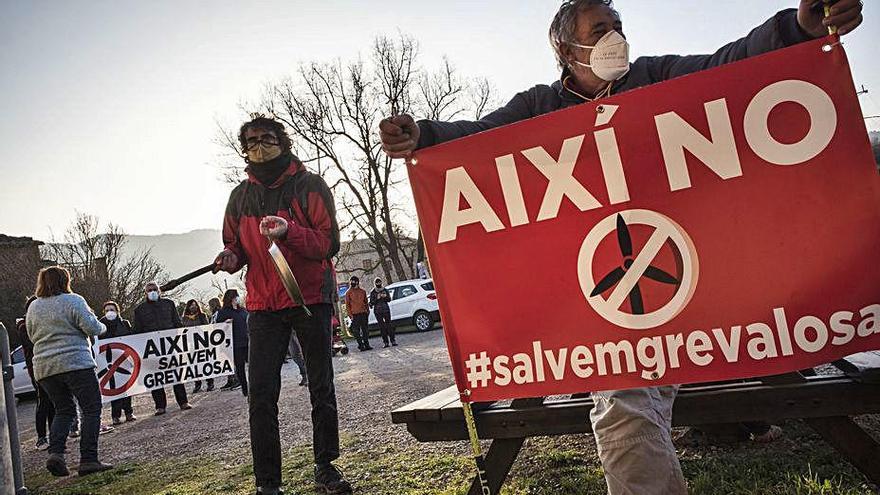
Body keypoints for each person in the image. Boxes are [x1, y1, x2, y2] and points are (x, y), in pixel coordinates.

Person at [379, 1, 865, 493]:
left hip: (701, 289)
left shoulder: (658, 78)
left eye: (618, 26)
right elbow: (478, 141)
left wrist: (799, 28)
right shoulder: (537, 108)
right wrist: (425, 136)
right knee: (624, 407)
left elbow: (731, 64)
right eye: (600, 29)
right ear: (566, 49)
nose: (615, 37)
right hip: (617, 316)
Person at [214, 115, 350, 494]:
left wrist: (290, 232)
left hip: (310, 298)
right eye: (252, 141)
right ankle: (268, 483)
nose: (260, 146)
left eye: (267, 138)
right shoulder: (239, 197)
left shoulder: (311, 186)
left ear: (283, 141)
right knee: (260, 395)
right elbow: (234, 245)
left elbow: (329, 244)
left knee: (320, 386)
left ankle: (326, 466)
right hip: (262, 304)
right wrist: (229, 257)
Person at [25, 266, 113, 476]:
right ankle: (89, 459)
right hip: (75, 363)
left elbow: (30, 335)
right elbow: (92, 328)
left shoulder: (33, 307)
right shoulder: (73, 300)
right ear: (66, 280)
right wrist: (102, 326)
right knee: (91, 409)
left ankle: (56, 453)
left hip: (45, 368)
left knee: (63, 410)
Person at [132, 282, 192, 415]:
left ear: (159, 291)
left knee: (176, 375)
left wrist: (181, 337)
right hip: (152, 349)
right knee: (156, 377)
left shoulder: (169, 304)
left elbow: (177, 323)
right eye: (149, 290)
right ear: (145, 293)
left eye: (154, 289)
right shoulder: (139, 310)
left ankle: (183, 402)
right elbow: (137, 330)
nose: (152, 292)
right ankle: (160, 406)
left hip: (171, 346)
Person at [15, 296, 55, 450]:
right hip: (37, 368)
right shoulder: (24, 326)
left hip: (50, 365)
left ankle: (54, 435)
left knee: (53, 402)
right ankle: (41, 438)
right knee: (43, 401)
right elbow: (32, 344)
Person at [98, 301, 137, 425]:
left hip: (124, 359)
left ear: (117, 311)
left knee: (126, 387)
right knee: (114, 388)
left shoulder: (125, 323)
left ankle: (129, 412)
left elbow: (131, 340)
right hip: (108, 362)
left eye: (112, 309)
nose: (110, 312)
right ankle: (115, 415)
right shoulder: (100, 326)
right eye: (107, 310)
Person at [215, 289, 250, 396]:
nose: (237, 298)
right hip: (235, 345)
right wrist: (225, 324)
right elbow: (218, 328)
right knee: (240, 368)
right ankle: (245, 389)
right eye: (235, 296)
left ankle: (255, 387)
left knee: (253, 366)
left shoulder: (243, 310)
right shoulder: (223, 312)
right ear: (230, 298)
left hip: (248, 342)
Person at [183, 299, 215, 393]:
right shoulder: (184, 318)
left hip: (202, 344)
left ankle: (210, 383)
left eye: (195, 305)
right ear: (188, 307)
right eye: (191, 305)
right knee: (194, 365)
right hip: (191, 345)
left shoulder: (202, 316)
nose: (193, 307)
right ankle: (197, 384)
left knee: (205, 363)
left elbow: (207, 328)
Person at [344, 277, 371, 351]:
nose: (352, 282)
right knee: (356, 331)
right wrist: (350, 315)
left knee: (365, 330)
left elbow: (366, 302)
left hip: (363, 313)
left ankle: (367, 344)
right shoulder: (348, 293)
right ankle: (360, 345)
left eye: (353, 281)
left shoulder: (362, 291)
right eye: (351, 281)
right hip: (355, 314)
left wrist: (367, 311)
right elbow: (347, 305)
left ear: (357, 282)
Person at [369, 278, 395, 348]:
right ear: (375, 284)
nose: (378, 284)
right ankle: (385, 342)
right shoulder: (373, 292)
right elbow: (371, 303)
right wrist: (377, 298)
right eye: (377, 283)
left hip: (386, 309)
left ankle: (393, 340)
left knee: (389, 325)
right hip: (378, 311)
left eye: (379, 282)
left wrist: (385, 297)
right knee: (382, 327)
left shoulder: (385, 290)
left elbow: (389, 299)